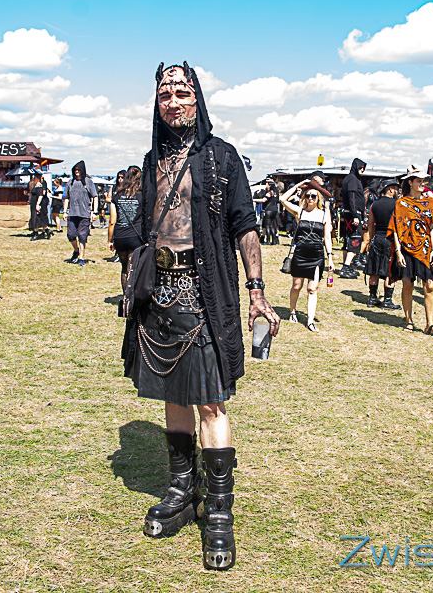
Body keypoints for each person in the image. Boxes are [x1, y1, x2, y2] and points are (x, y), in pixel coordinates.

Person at [122, 62, 279, 571]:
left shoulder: (222, 158)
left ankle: (217, 512)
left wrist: (256, 291)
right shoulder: (151, 161)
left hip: (203, 292)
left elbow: (245, 227)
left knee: (210, 402)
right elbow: (141, 230)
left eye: (182, 91)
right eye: (165, 93)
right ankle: (180, 490)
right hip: (159, 295)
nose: (173, 100)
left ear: (198, 99)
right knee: (172, 394)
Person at [388, 165, 433, 335]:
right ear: (410, 182)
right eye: (419, 181)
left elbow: (432, 226)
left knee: (430, 285)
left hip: (426, 248)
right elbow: (396, 227)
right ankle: (409, 320)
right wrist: (397, 251)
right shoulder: (401, 203)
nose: (422, 184)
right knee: (408, 284)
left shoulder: (430, 202)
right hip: (406, 248)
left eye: (423, 181)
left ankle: (430, 323)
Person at [280, 180, 335, 332]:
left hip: (317, 255)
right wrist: (299, 185)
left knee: (313, 288)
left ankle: (310, 321)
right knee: (297, 286)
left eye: (314, 196)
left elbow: (327, 238)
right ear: (305, 197)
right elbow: (282, 199)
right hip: (300, 254)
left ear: (318, 199)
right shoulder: (300, 212)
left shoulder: (324, 215)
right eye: (308, 195)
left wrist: (330, 258)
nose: (311, 198)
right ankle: (292, 312)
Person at [361, 179, 401, 309]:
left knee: (374, 270)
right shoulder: (397, 204)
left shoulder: (374, 205)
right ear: (389, 189)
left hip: (377, 238)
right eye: (395, 188)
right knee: (390, 271)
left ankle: (372, 298)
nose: (397, 191)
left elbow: (370, 225)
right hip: (391, 240)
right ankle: (387, 301)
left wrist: (371, 239)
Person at [108, 165, 145, 291]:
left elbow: (112, 220)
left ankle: (126, 297)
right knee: (133, 269)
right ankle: (133, 296)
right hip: (135, 235)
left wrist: (110, 240)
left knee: (124, 269)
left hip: (120, 236)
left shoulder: (117, 195)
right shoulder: (142, 195)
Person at [64, 160, 97, 265]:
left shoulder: (88, 182)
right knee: (71, 235)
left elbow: (95, 196)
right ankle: (76, 250)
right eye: (75, 170)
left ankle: (81, 258)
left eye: (79, 170)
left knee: (82, 236)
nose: (77, 172)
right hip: (72, 213)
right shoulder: (70, 182)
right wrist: (65, 211)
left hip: (84, 214)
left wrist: (94, 212)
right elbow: (66, 198)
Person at [338, 158, 367, 279]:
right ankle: (345, 267)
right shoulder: (353, 180)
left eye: (363, 168)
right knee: (354, 239)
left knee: (348, 239)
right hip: (353, 215)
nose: (362, 170)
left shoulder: (350, 179)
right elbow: (352, 197)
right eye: (360, 167)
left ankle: (347, 266)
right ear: (355, 167)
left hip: (350, 214)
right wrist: (356, 215)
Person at [253, 181, 281, 245]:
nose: (266, 185)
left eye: (267, 184)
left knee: (267, 226)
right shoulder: (275, 193)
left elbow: (263, 200)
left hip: (269, 210)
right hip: (275, 210)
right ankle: (274, 241)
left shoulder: (269, 193)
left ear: (270, 185)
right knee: (272, 226)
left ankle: (268, 240)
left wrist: (253, 199)